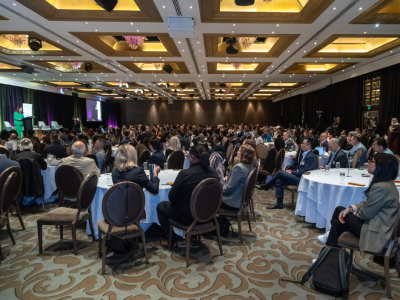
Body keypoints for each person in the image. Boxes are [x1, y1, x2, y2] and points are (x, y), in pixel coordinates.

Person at [323, 154, 399, 255]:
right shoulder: (387, 183)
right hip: (379, 226)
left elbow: (365, 214)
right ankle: (329, 257)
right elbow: (368, 203)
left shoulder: (381, 187)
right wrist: (351, 208)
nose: (369, 163)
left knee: (339, 210)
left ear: (380, 166)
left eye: (372, 161)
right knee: (337, 223)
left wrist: (351, 214)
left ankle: (329, 241)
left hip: (375, 232)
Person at [156, 145, 219, 248]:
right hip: (209, 216)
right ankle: (194, 237)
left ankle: (172, 240)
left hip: (189, 218)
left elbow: (171, 197)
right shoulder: (214, 172)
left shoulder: (185, 174)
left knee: (161, 206)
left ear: (192, 157)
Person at [258, 139, 318, 209]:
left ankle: (268, 186)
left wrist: (292, 172)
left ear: (308, 146)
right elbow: (300, 168)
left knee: (280, 173)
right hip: (298, 176)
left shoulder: (311, 156)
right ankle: (279, 203)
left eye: (303, 143)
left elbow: (305, 172)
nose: (301, 144)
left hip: (302, 180)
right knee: (278, 181)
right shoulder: (305, 154)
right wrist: (292, 171)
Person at [221, 144, 254, 209]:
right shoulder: (250, 166)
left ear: (243, 154)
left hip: (231, 201)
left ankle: (210, 219)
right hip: (239, 199)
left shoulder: (239, 168)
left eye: (239, 151)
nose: (237, 152)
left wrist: (217, 189)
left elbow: (228, 189)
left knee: (208, 196)